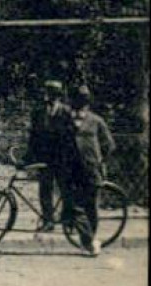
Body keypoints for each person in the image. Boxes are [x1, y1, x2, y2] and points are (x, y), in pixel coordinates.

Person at [62, 85, 116, 256]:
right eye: (77, 99)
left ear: (88, 102)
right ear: (71, 101)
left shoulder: (96, 121)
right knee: (74, 205)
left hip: (91, 170)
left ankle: (89, 239)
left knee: (91, 206)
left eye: (84, 100)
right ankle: (89, 241)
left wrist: (99, 161)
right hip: (70, 170)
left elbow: (108, 144)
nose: (80, 103)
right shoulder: (63, 121)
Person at [26, 81, 70, 232]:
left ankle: (68, 220)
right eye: (47, 93)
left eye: (52, 93)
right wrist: (28, 157)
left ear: (58, 95)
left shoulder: (66, 112)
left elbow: (71, 137)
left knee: (66, 189)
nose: (48, 97)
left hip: (62, 158)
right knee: (45, 190)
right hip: (44, 158)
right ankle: (48, 220)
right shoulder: (38, 112)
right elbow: (33, 136)